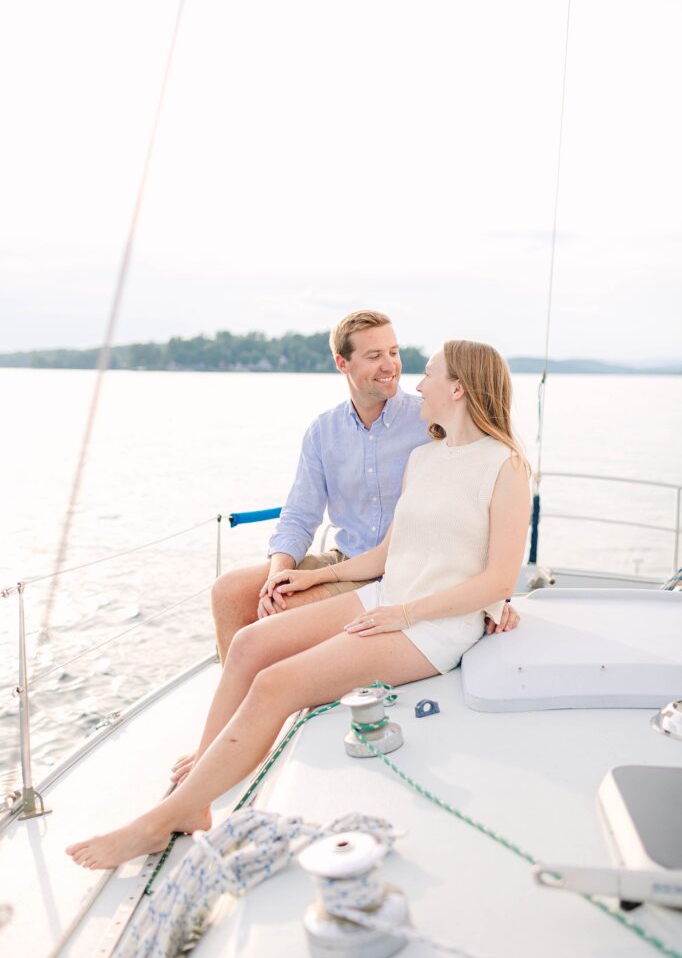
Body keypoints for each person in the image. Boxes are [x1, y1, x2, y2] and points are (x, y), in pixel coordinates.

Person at [67, 338, 531, 870]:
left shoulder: (505, 466)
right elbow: (388, 552)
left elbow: (499, 578)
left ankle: (162, 819)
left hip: (432, 627)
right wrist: (311, 579)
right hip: (385, 595)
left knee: (275, 683)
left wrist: (403, 615)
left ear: (458, 388)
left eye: (428, 374)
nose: (417, 384)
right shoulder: (423, 458)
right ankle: (197, 790)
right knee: (248, 644)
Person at [170, 309, 519, 786]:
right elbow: (299, 514)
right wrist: (281, 570)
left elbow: (478, 513)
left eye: (395, 353)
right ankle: (235, 731)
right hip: (349, 561)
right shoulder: (325, 432)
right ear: (343, 364)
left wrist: (497, 597)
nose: (394, 368)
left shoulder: (432, 427)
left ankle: (268, 717)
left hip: (397, 576)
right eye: (375, 356)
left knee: (282, 624)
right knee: (232, 591)